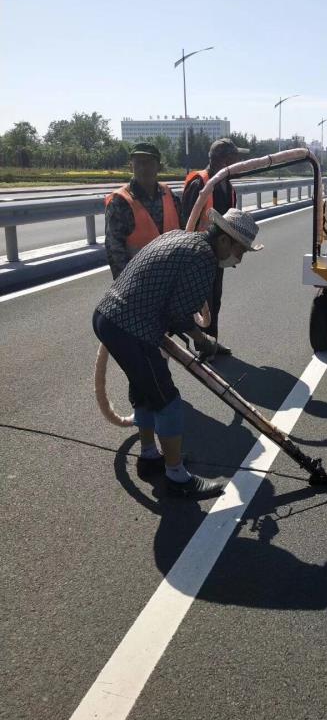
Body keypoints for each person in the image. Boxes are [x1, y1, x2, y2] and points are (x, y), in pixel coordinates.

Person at [93, 208, 263, 498]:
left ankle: (149, 458)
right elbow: (178, 314)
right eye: (240, 251)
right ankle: (177, 478)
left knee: (145, 390)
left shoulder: (180, 237)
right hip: (132, 330)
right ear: (224, 240)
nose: (239, 260)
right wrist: (202, 339)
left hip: (107, 316)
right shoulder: (204, 259)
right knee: (168, 401)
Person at [181, 138, 250, 355]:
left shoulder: (226, 185)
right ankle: (203, 346)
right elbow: (187, 221)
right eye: (235, 158)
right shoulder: (200, 184)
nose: (239, 163)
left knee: (215, 299)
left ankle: (212, 341)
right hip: (198, 255)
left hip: (217, 254)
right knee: (203, 302)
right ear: (224, 160)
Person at [104, 143, 184, 279]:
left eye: (149, 163)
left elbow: (184, 233)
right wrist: (125, 284)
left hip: (172, 277)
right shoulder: (120, 201)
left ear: (159, 166)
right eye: (138, 163)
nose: (143, 168)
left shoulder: (170, 195)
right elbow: (114, 249)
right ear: (131, 166)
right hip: (139, 281)